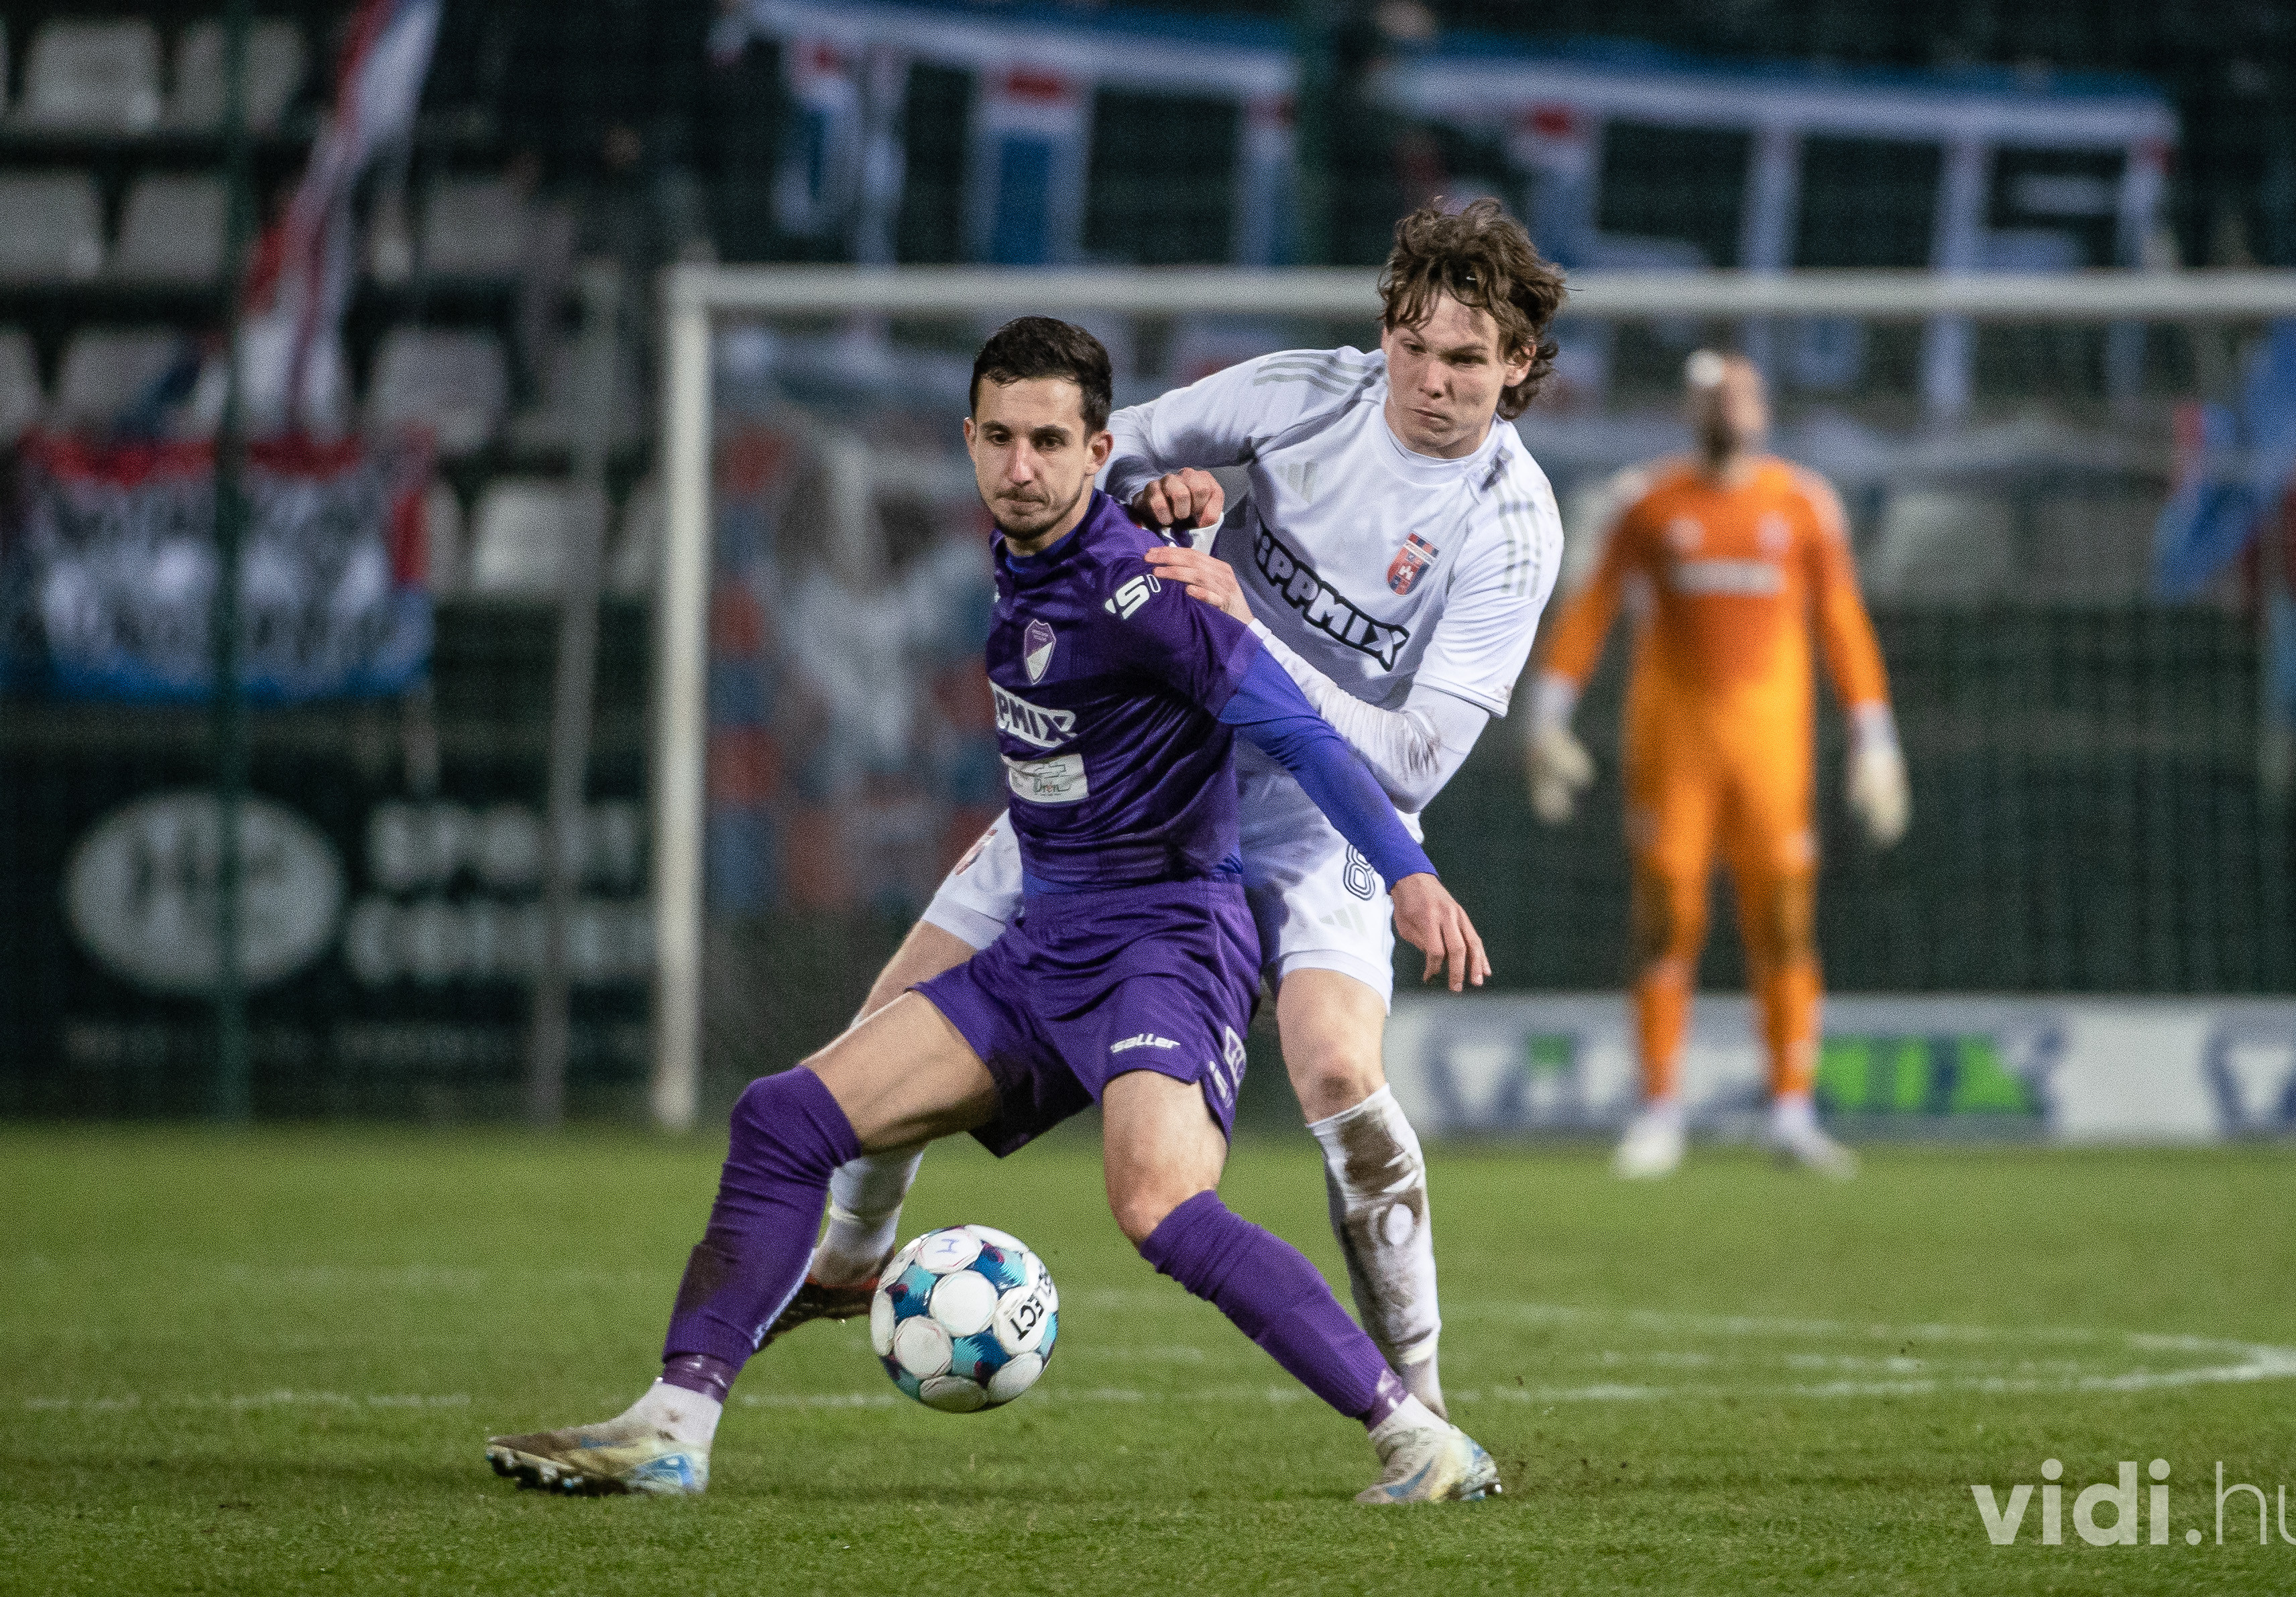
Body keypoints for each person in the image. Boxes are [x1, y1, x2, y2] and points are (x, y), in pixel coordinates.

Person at [484, 317, 1502, 1504]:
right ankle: (674, 1424)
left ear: (1097, 450)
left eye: (1050, 442)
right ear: (968, 439)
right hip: (1044, 950)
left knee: (1159, 1205)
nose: (1022, 466)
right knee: (781, 1119)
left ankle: (1418, 1436)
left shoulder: (1146, 594)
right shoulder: (1034, 564)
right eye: (1002, 438)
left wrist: (1407, 871)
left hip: (1165, 949)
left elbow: (1300, 732)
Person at [782, 200, 1569, 1423]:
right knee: (892, 1013)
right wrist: (1158, 498)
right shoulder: (1309, 393)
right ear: (1384, 334)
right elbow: (1101, 459)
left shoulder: (1513, 525)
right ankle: (849, 1256)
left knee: (1339, 1074)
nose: (1428, 381)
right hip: (1140, 765)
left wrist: (1245, 630)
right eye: (1411, 346)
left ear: (1517, 363)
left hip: (1318, 806)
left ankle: (1417, 1402)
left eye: (1465, 359)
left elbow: (1412, 761)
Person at [1523, 350, 1908, 1180]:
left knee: (1785, 921)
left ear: (1763, 408)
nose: (1730, 407)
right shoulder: (1646, 501)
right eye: (1715, 395)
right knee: (1666, 920)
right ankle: (1659, 1109)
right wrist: (1547, 714)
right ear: (1689, 409)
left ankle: (1792, 1112)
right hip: (1674, 748)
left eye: (1742, 394)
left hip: (1772, 750)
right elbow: (1591, 606)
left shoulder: (1803, 504)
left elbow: (1842, 620)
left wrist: (1876, 737)